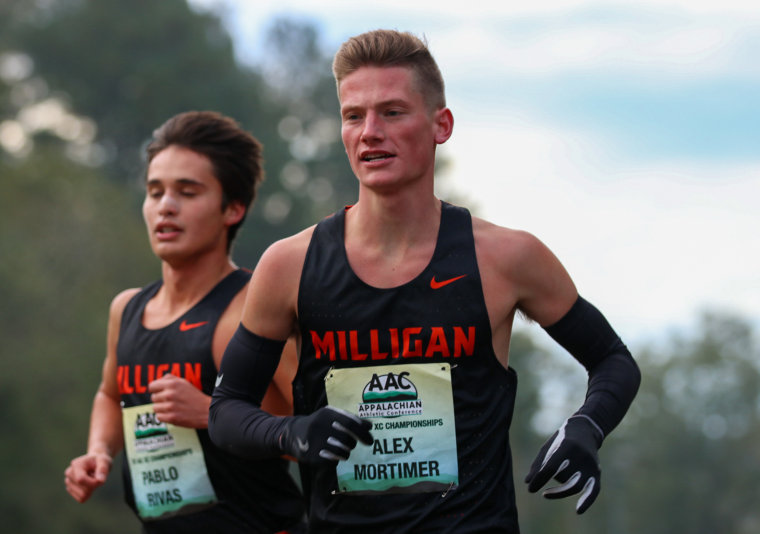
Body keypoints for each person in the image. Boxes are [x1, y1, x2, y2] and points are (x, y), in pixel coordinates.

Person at [209, 30, 641, 533]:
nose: (370, 131)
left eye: (392, 112)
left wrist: (588, 425)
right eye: (354, 115)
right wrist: (293, 433)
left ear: (441, 124)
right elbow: (227, 413)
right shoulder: (289, 264)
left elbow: (613, 360)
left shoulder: (506, 257)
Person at [64, 111, 306, 533]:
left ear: (232, 208)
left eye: (187, 192)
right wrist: (99, 451)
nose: (166, 207)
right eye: (154, 192)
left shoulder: (253, 310)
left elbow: (322, 436)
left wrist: (214, 415)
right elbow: (110, 393)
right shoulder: (126, 310)